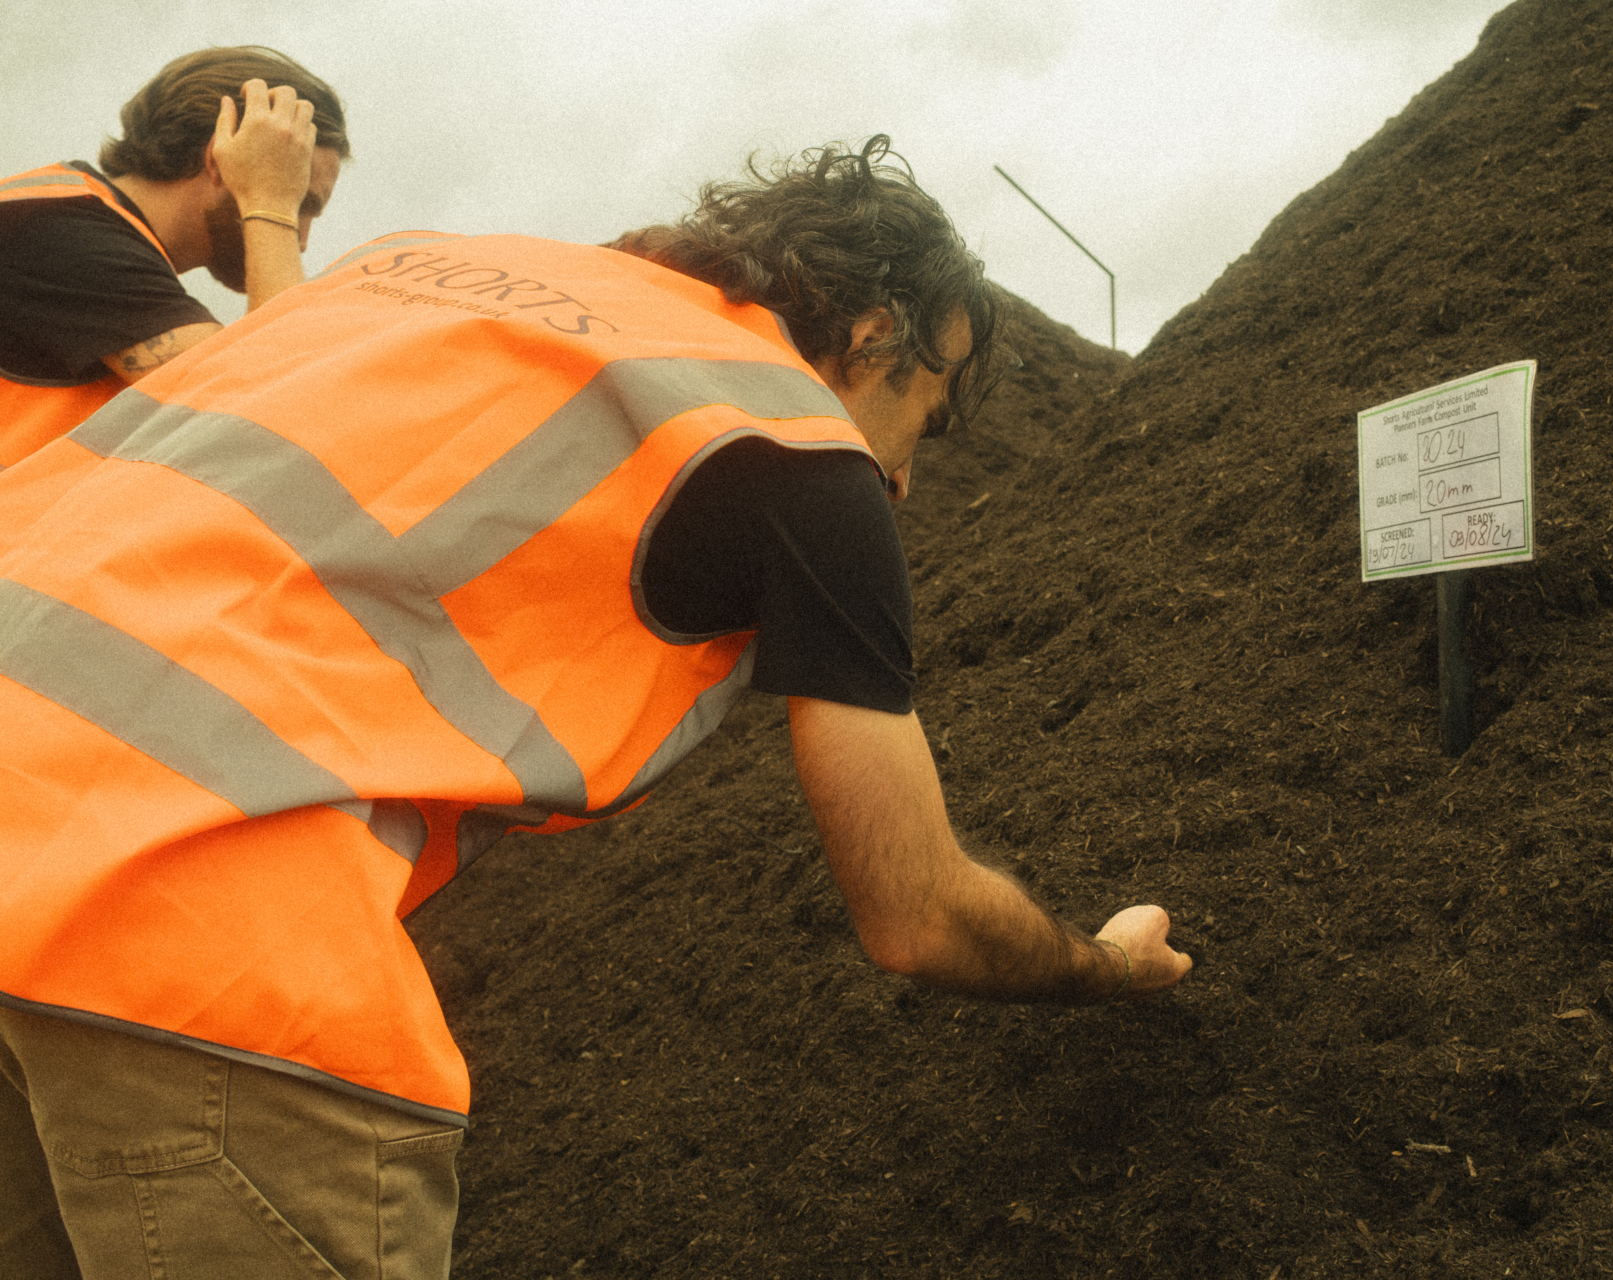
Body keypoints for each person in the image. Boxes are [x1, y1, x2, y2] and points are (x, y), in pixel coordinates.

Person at [0, 136, 1191, 1277]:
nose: (906, 475)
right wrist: (1103, 964)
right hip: (188, 926)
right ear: (875, 333)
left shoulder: (404, 273)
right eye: (922, 415)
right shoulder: (796, 449)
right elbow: (916, 914)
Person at [0, 46, 347, 468]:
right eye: (300, 201)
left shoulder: (71, 218)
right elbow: (268, 409)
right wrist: (270, 204)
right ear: (220, 160)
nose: (302, 239)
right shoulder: (57, 229)